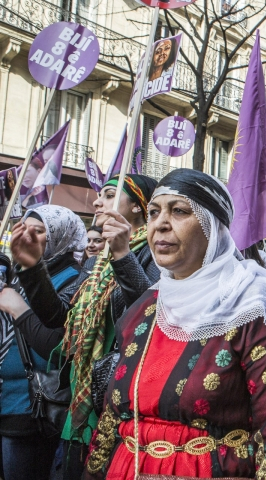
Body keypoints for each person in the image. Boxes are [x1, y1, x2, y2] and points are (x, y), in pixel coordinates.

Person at [83, 169, 266, 480]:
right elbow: (112, 420)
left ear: (213, 227)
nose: (161, 223)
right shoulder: (146, 308)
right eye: (153, 212)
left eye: (179, 211)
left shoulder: (256, 311)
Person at [10, 173, 159, 480]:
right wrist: (32, 267)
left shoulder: (153, 253)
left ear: (136, 207)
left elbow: (150, 314)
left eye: (107, 194)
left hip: (120, 396)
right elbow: (61, 321)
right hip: (83, 394)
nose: (96, 201)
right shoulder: (95, 262)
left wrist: (123, 255)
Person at [0, 205, 86, 480]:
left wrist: (18, 309)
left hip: (28, 407)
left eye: (38, 232)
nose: (27, 237)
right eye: (23, 229)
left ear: (59, 237)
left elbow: (57, 347)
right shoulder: (14, 275)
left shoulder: (74, 279)